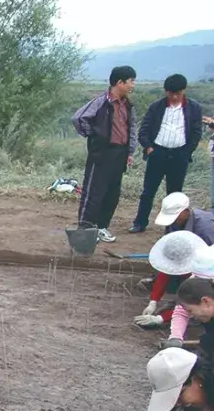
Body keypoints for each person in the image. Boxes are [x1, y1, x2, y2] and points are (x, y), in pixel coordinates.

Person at [129, 74, 204, 233]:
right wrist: (149, 148)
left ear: (184, 90)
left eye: (178, 93)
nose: (175, 97)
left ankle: (172, 227)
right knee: (148, 191)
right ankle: (140, 223)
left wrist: (187, 151)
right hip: (158, 153)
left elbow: (196, 133)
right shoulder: (156, 106)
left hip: (179, 155)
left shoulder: (194, 108)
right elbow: (144, 130)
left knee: (175, 193)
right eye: (171, 93)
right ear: (166, 92)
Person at [72, 65, 138, 244]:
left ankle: (101, 227)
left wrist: (130, 151)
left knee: (112, 193)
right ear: (120, 82)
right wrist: (94, 135)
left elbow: (131, 128)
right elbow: (78, 118)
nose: (133, 85)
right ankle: (85, 229)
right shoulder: (101, 102)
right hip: (102, 153)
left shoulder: (128, 105)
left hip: (120, 153)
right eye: (131, 81)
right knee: (94, 192)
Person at [135, 196, 214, 329]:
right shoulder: (177, 227)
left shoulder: (207, 230)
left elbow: (195, 295)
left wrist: (162, 318)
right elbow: (168, 266)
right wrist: (153, 300)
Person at [134, 230, 207, 330]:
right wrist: (153, 301)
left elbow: (192, 304)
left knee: (197, 313)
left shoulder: (204, 274)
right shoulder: (184, 258)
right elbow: (164, 276)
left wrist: (162, 318)